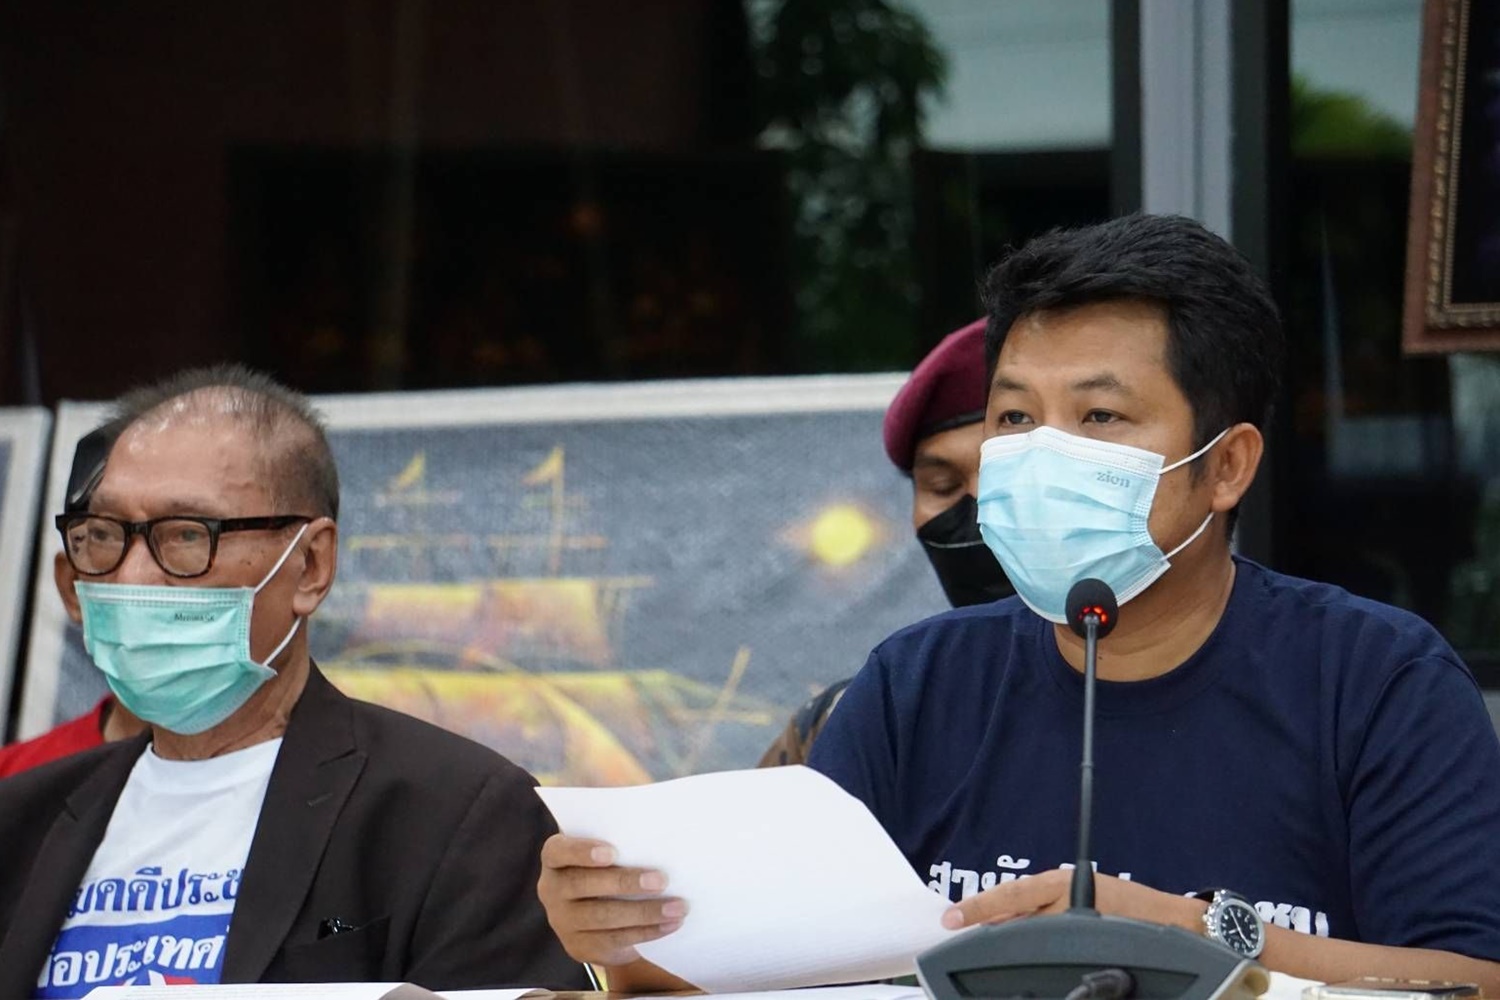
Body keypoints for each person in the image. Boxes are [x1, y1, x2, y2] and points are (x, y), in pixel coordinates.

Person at [536, 214, 1500, 993]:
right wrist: (626, 941)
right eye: (1015, 416)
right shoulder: (917, 683)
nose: (1042, 453)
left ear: (1227, 466)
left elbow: (1472, 981)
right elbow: (777, 967)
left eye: (1099, 416)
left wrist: (1184, 933)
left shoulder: (1375, 681)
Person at [0, 366, 589, 996]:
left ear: (309, 565)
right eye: (105, 535)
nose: (132, 577)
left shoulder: (453, 813)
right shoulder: (19, 821)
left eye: (187, 535)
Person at [758, 319, 1011, 766]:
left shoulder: (1132, 705)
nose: (977, 510)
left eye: (1004, 475)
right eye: (943, 486)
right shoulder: (852, 724)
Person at [0, 424, 147, 779]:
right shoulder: (16, 786)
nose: (143, 572)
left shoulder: (286, 783)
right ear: (72, 586)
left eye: (187, 534)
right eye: (107, 535)